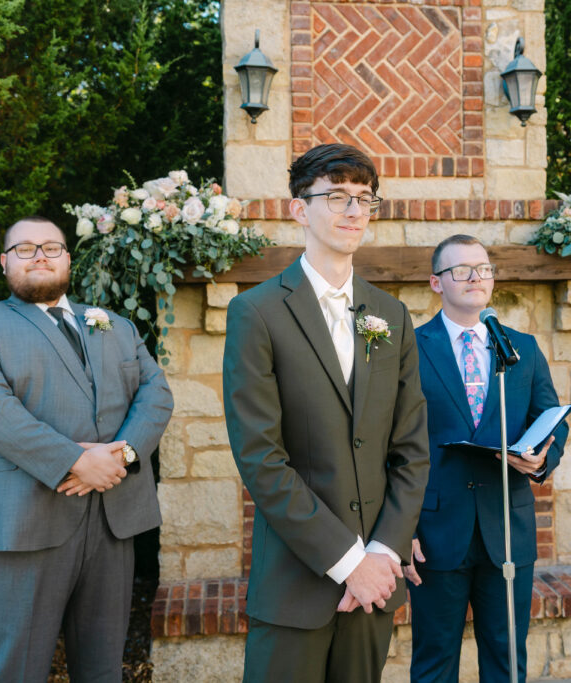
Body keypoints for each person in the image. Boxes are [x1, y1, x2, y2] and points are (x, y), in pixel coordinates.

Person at [222, 143, 430, 682]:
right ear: (299, 209)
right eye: (336, 197)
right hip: (297, 584)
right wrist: (349, 562)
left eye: (364, 199)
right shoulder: (257, 312)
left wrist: (382, 554)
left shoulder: (391, 315)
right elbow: (261, 459)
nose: (354, 211)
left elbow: (410, 449)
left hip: (375, 588)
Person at [0, 216, 173, 682]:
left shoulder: (116, 326)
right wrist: (77, 460)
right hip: (23, 522)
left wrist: (122, 456)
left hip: (112, 522)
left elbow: (156, 394)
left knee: (103, 669)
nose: (40, 255)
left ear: (68, 258)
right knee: (16, 670)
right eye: (25, 249)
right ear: (5, 262)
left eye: (51, 247)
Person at [405, 234, 568, 683]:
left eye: (483, 268)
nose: (476, 277)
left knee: (507, 658)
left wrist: (540, 457)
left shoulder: (521, 347)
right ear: (436, 282)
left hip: (508, 532)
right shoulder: (409, 349)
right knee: (435, 660)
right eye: (461, 270)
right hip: (435, 532)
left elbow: (551, 419)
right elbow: (390, 444)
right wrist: (401, 530)